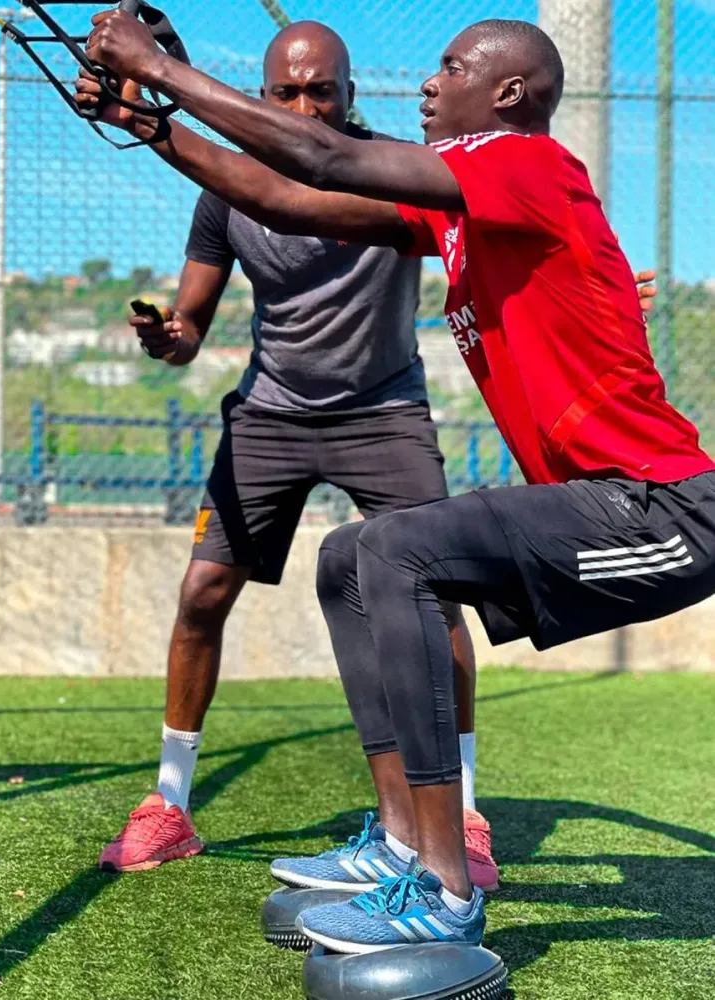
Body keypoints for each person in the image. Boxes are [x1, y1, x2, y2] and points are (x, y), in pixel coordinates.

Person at [84, 12, 714, 953]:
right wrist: (146, 121)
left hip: (663, 509)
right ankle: (399, 840)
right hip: (594, 501)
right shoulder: (463, 208)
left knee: (397, 551)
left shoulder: (527, 165)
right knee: (348, 558)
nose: (427, 82)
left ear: (507, 94)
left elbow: (325, 159)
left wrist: (158, 69)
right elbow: (290, 199)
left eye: (450, 68)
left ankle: (446, 885)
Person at [83, 22, 493, 888]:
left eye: (322, 91)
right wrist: (169, 335)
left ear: (351, 95)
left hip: (384, 412)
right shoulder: (224, 190)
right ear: (264, 94)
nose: (306, 106)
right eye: (287, 93)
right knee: (202, 592)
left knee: (440, 601)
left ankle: (461, 814)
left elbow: (312, 196)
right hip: (270, 415)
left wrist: (154, 107)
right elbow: (191, 329)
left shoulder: (393, 170)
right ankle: (169, 804)